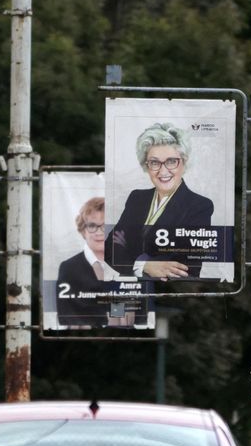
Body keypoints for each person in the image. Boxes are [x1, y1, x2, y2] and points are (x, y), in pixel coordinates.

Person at [108, 123, 214, 280]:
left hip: (172, 294)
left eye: (171, 161)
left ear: (184, 163)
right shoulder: (136, 198)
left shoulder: (200, 206)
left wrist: (130, 252)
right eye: (155, 162)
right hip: (134, 291)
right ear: (146, 165)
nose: (163, 171)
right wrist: (146, 265)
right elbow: (110, 250)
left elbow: (183, 265)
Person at [56, 197, 135, 328]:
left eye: (105, 226)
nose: (99, 232)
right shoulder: (68, 268)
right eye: (92, 226)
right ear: (83, 230)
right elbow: (66, 316)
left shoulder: (127, 267)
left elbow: (130, 317)